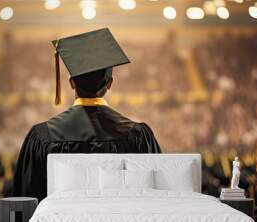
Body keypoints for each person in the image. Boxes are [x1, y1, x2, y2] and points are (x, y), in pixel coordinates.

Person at [13, 28, 161, 201]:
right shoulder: (137, 136)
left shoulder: (42, 137)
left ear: (71, 83)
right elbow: (155, 198)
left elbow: (25, 202)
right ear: (110, 84)